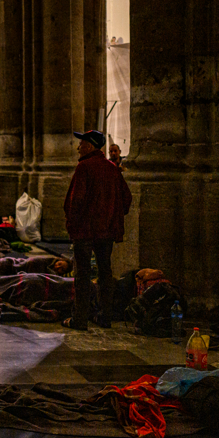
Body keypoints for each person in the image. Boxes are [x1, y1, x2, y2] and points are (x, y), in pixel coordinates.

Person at [63, 130, 132, 330]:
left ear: (91, 147)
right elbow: (126, 199)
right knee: (105, 272)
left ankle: (80, 319)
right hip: (106, 231)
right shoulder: (112, 169)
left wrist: (72, 223)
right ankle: (105, 317)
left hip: (85, 231)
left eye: (82, 144)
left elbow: (76, 201)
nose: (78, 147)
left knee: (82, 274)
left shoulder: (84, 167)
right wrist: (112, 216)